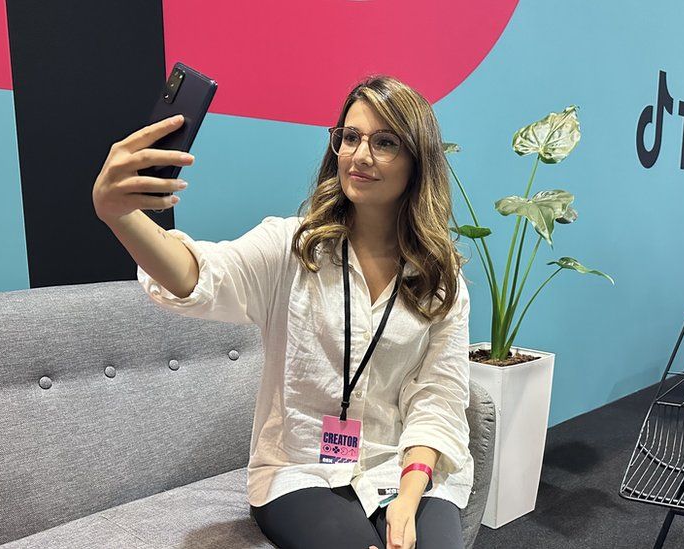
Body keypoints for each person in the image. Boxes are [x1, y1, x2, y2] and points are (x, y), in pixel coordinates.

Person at [92, 75, 473, 549]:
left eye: (385, 142)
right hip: (300, 468)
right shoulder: (294, 248)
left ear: (419, 161)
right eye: (350, 137)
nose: (360, 155)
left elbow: (438, 398)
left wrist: (409, 499)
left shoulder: (440, 280)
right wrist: (120, 215)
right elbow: (198, 277)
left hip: (399, 463)